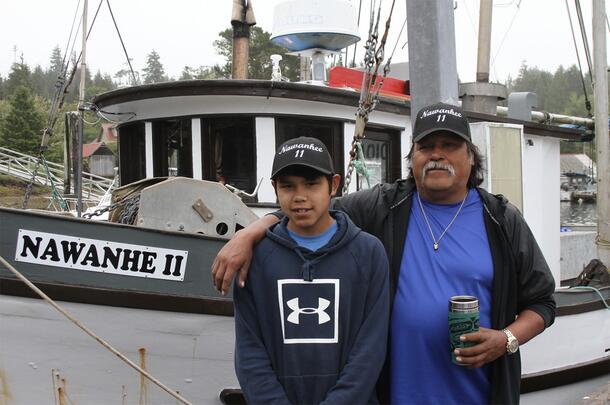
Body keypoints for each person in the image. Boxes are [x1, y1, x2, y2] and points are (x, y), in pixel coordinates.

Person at [214, 103, 556, 404]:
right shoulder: (385, 205)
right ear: (413, 158)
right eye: (426, 146)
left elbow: (542, 302)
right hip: (396, 393)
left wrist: (506, 339)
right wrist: (251, 233)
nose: (437, 154)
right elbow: (313, 208)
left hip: (478, 393)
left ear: (470, 156)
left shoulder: (501, 219)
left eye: (450, 146)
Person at [233, 136, 390, 404]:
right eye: (288, 186)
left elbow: (370, 350)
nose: (300, 196)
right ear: (275, 188)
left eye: (311, 184)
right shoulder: (256, 258)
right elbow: (249, 354)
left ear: (334, 185)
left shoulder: (368, 253)